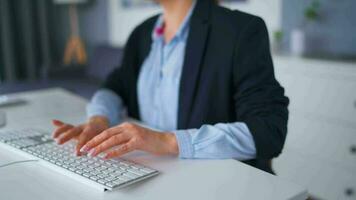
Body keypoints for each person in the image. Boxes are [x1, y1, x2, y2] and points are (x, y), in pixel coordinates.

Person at [52, 0, 289, 173]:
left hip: (213, 183)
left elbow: (269, 131)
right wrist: (99, 118)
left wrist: (166, 141)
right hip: (146, 174)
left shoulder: (239, 30)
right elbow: (115, 85)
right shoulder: (142, 33)